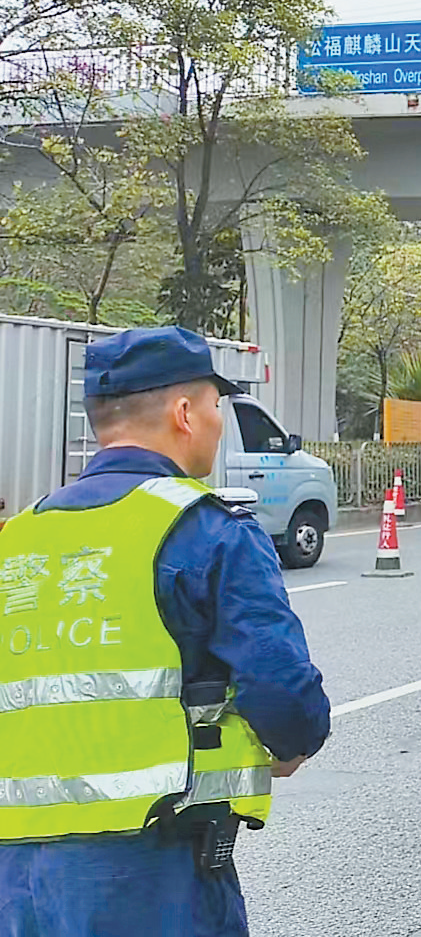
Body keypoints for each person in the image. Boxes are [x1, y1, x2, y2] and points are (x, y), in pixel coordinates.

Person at [0, 326, 330, 935]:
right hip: (153, 867)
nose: (218, 422)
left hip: (16, 878)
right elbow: (282, 690)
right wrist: (293, 744)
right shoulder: (208, 529)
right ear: (184, 413)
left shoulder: (17, 538)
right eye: (215, 406)